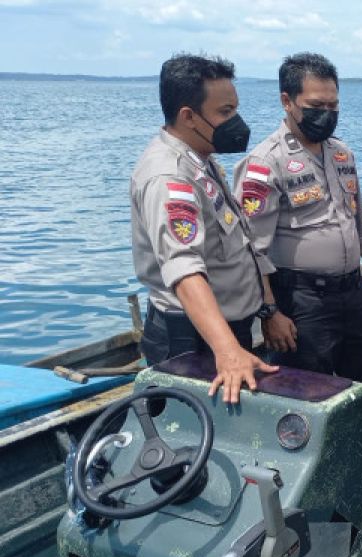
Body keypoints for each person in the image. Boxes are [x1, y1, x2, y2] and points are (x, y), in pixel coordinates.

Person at [235, 52, 362, 488]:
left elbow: (358, 218)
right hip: (299, 295)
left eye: (333, 106)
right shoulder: (265, 163)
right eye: (315, 107)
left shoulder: (342, 155)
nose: (326, 115)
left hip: (349, 289)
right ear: (287, 101)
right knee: (306, 386)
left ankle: (351, 453)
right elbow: (251, 248)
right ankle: (309, 473)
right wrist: (270, 313)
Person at [131, 53, 277, 404]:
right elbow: (183, 269)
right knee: (193, 437)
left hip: (225, 330)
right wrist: (226, 350)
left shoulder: (202, 160)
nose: (236, 121)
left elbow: (241, 242)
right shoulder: (170, 176)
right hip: (193, 339)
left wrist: (268, 309)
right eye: (225, 112)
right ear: (188, 116)